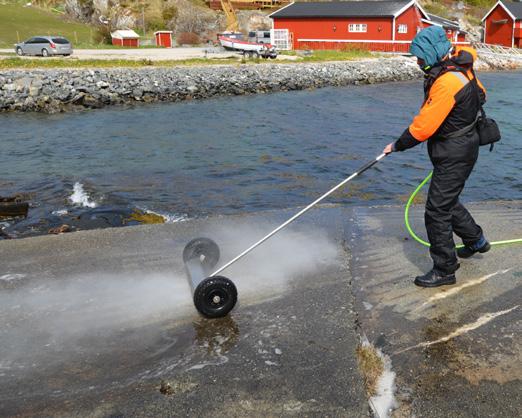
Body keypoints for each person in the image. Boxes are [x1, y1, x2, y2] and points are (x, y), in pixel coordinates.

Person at [383, 26, 490, 288]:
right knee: (447, 201)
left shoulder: (448, 80)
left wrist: (397, 145)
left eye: (420, 57)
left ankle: (445, 269)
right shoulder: (460, 67)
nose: (418, 62)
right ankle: (476, 240)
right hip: (462, 147)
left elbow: (423, 127)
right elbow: (482, 94)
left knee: (436, 210)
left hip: (455, 152)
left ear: (432, 53)